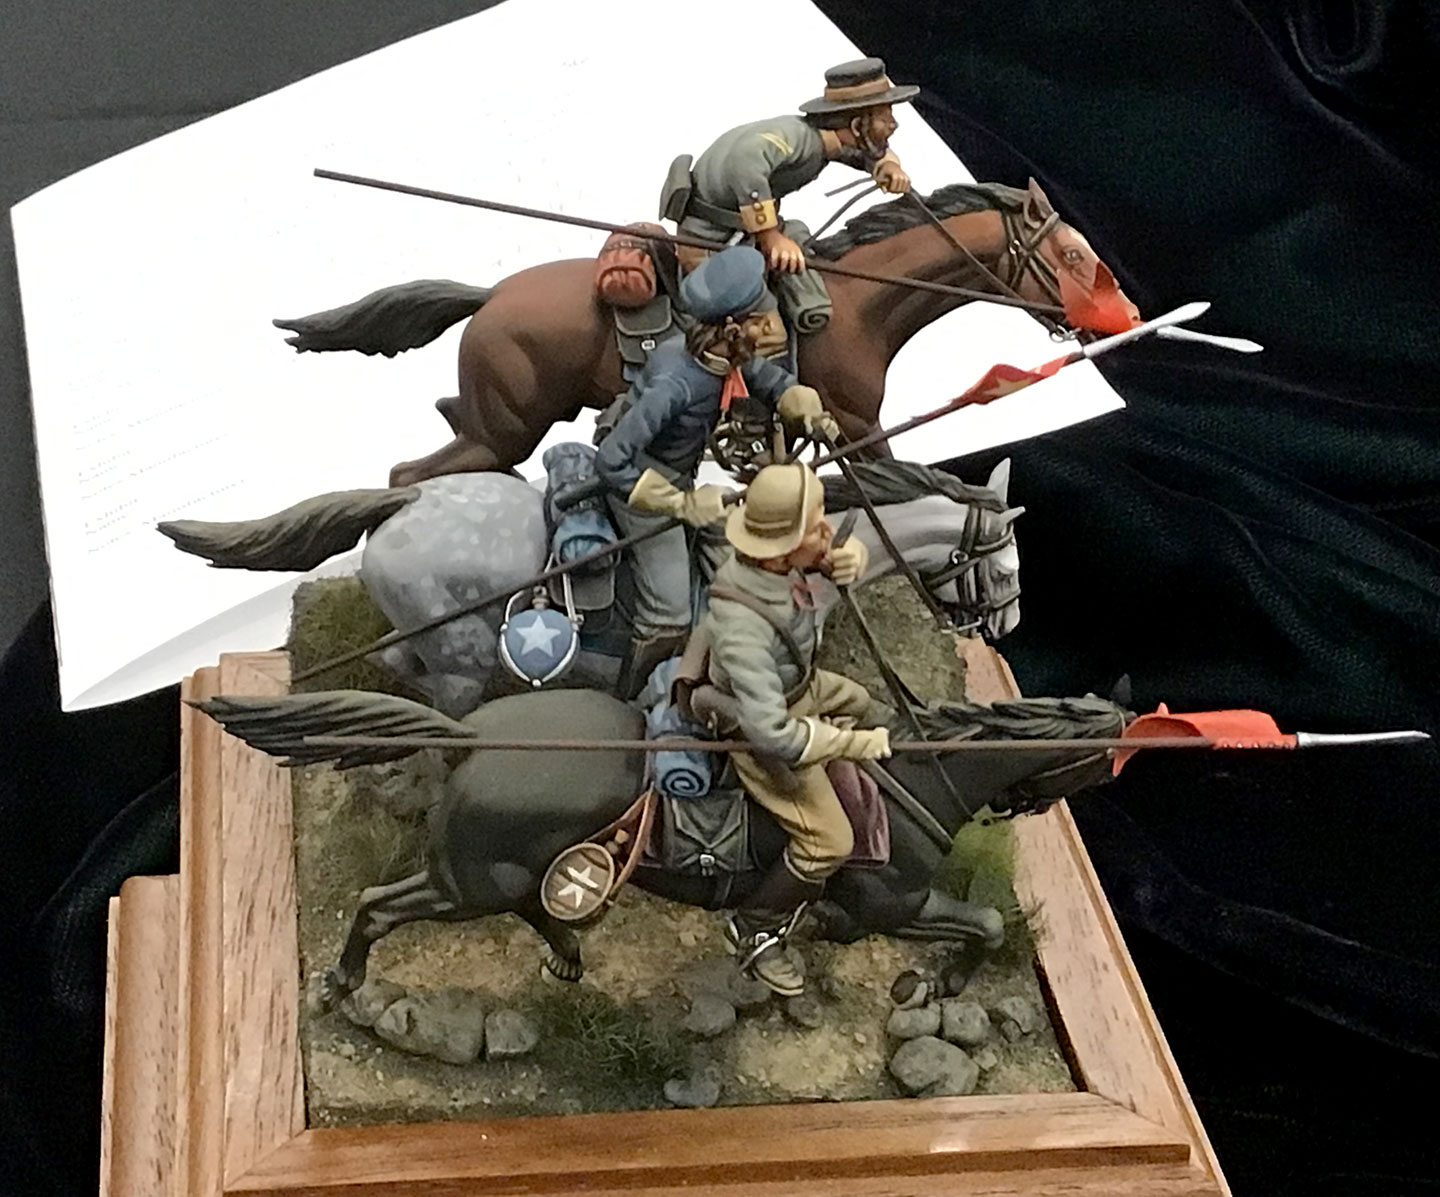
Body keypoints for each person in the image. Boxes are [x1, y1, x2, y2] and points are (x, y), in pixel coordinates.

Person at [565, 246, 837, 695]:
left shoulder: (725, 356)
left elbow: (772, 381)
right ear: (731, 328)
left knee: (743, 559)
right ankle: (638, 697)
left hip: (686, 478)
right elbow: (612, 459)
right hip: (642, 488)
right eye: (759, 322)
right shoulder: (675, 385)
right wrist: (682, 504)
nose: (771, 329)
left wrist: (806, 409)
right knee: (668, 611)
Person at [702, 462, 890, 996]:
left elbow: (823, 555)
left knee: (861, 700)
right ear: (779, 551)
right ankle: (754, 926)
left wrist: (848, 557)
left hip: (802, 687)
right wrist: (849, 743)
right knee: (830, 840)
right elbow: (773, 734)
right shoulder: (743, 630)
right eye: (815, 526)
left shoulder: (774, 564)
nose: (827, 530)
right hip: (762, 728)